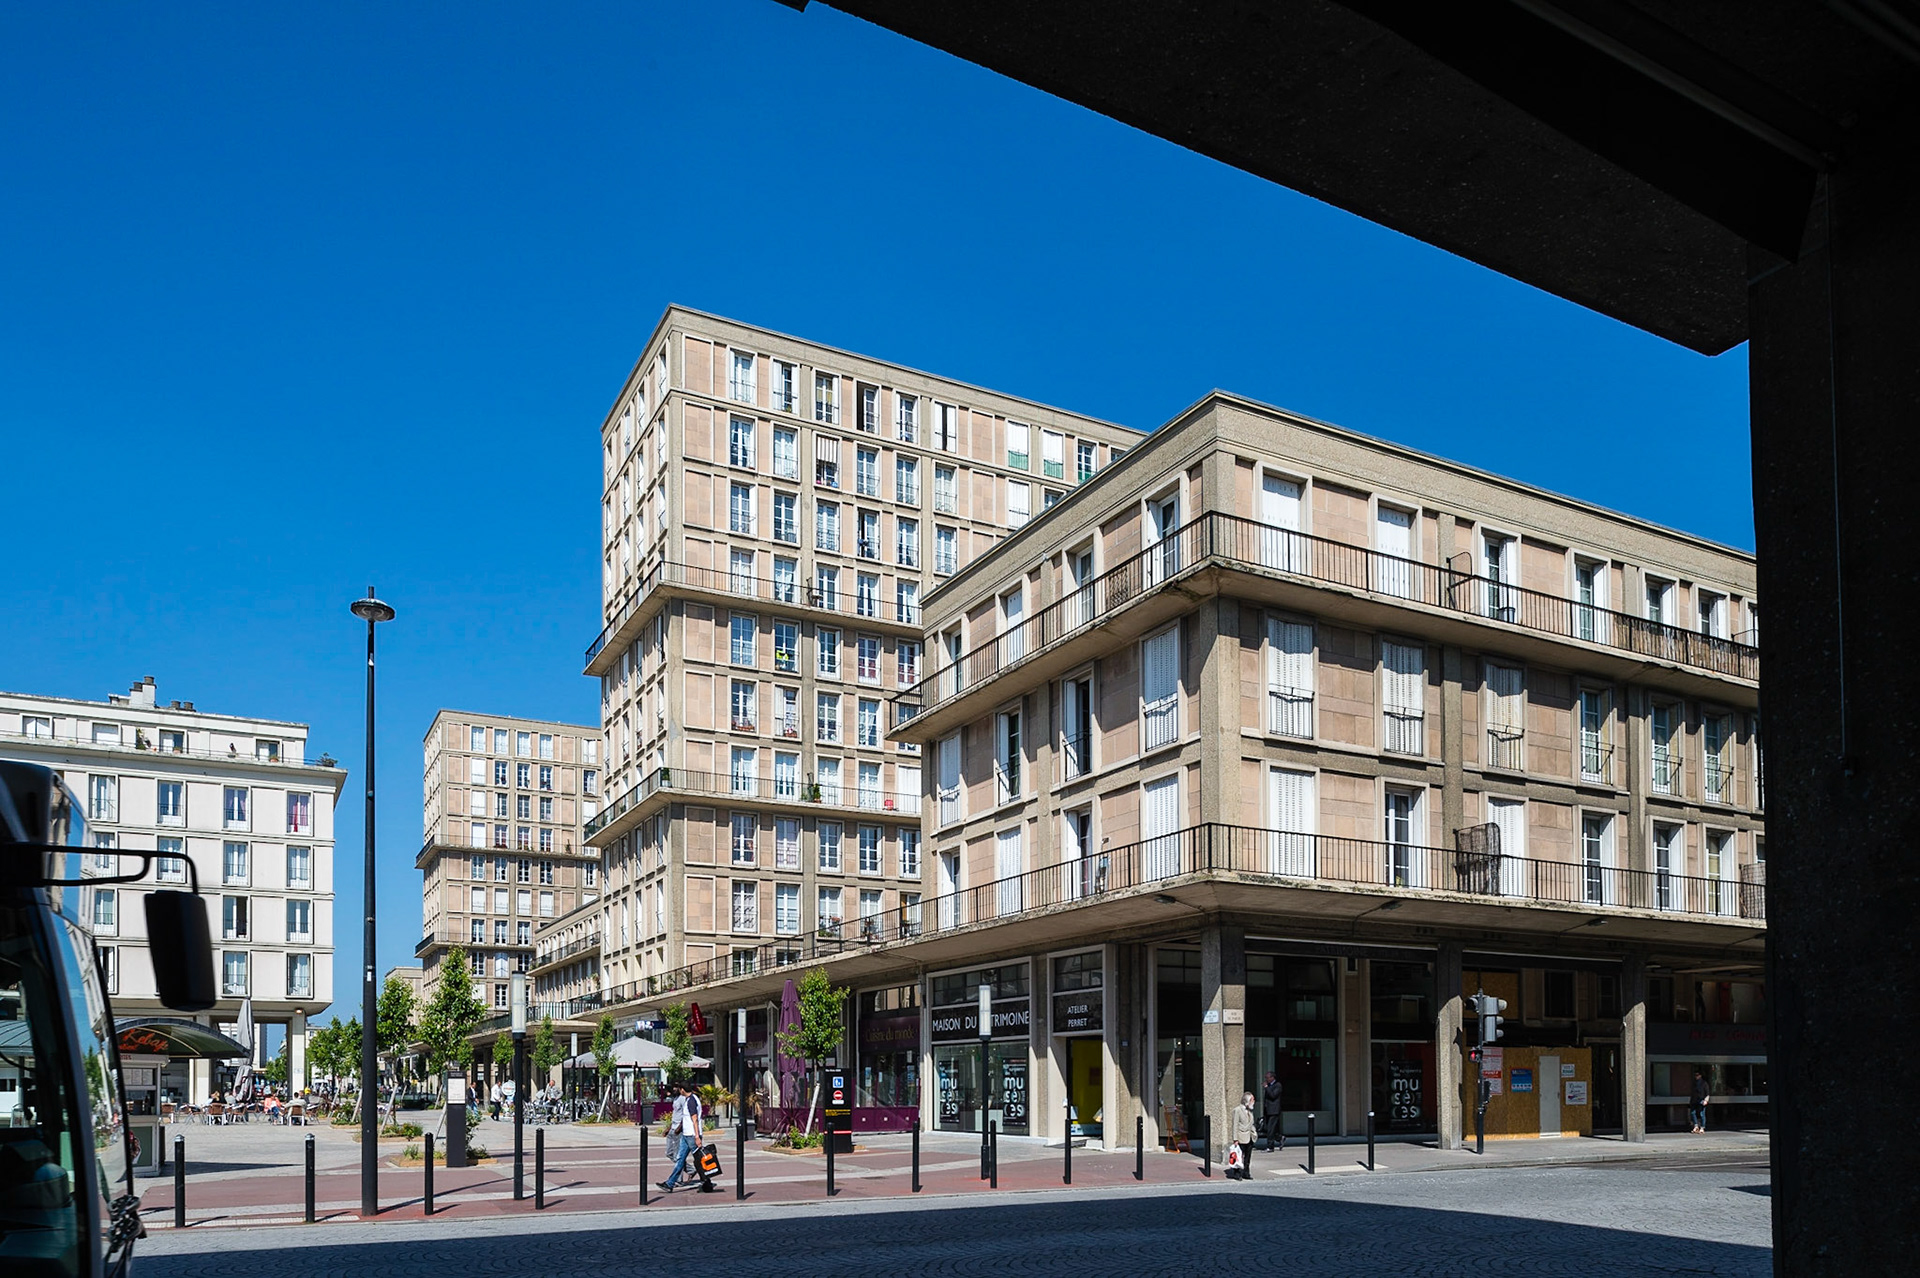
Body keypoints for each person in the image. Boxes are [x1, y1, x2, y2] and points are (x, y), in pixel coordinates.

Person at [659, 1083, 704, 1193]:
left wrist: (697, 1136)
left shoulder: (692, 1101)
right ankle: (670, 1184)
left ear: (683, 1089)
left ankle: (707, 1182)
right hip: (686, 1135)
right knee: (680, 1159)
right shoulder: (689, 1099)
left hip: (692, 1136)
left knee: (699, 1160)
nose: (679, 1091)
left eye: (679, 1089)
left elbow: (695, 1120)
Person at [1230, 1091, 1258, 1179]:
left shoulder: (1250, 1111)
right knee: (1239, 1156)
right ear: (1247, 1100)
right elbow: (1235, 1125)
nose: (1254, 1101)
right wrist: (1235, 1139)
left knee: (1248, 1156)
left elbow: (1251, 1124)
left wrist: (1254, 1133)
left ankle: (1246, 1172)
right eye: (1252, 1100)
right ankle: (1237, 1173)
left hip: (1249, 1136)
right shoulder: (1237, 1110)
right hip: (1241, 1137)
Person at [1260, 1071, 1284, 1150]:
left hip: (1274, 1110)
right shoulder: (1270, 1086)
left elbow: (1273, 1095)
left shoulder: (1278, 1085)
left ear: (1272, 1078)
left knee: (1270, 1128)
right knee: (1268, 1128)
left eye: (1267, 1078)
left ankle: (1270, 1146)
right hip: (1268, 1110)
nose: (1266, 1079)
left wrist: (1267, 1087)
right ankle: (1279, 1137)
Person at [1689, 1069, 1710, 1134]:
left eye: (1697, 1075)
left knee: (1702, 1114)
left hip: (1701, 1099)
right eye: (1695, 1075)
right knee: (1693, 1113)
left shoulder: (1704, 1083)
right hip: (1694, 1100)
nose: (1696, 1076)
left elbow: (1707, 1093)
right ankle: (1696, 1125)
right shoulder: (1694, 1083)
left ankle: (1702, 1127)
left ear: (1700, 1076)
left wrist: (1706, 1100)